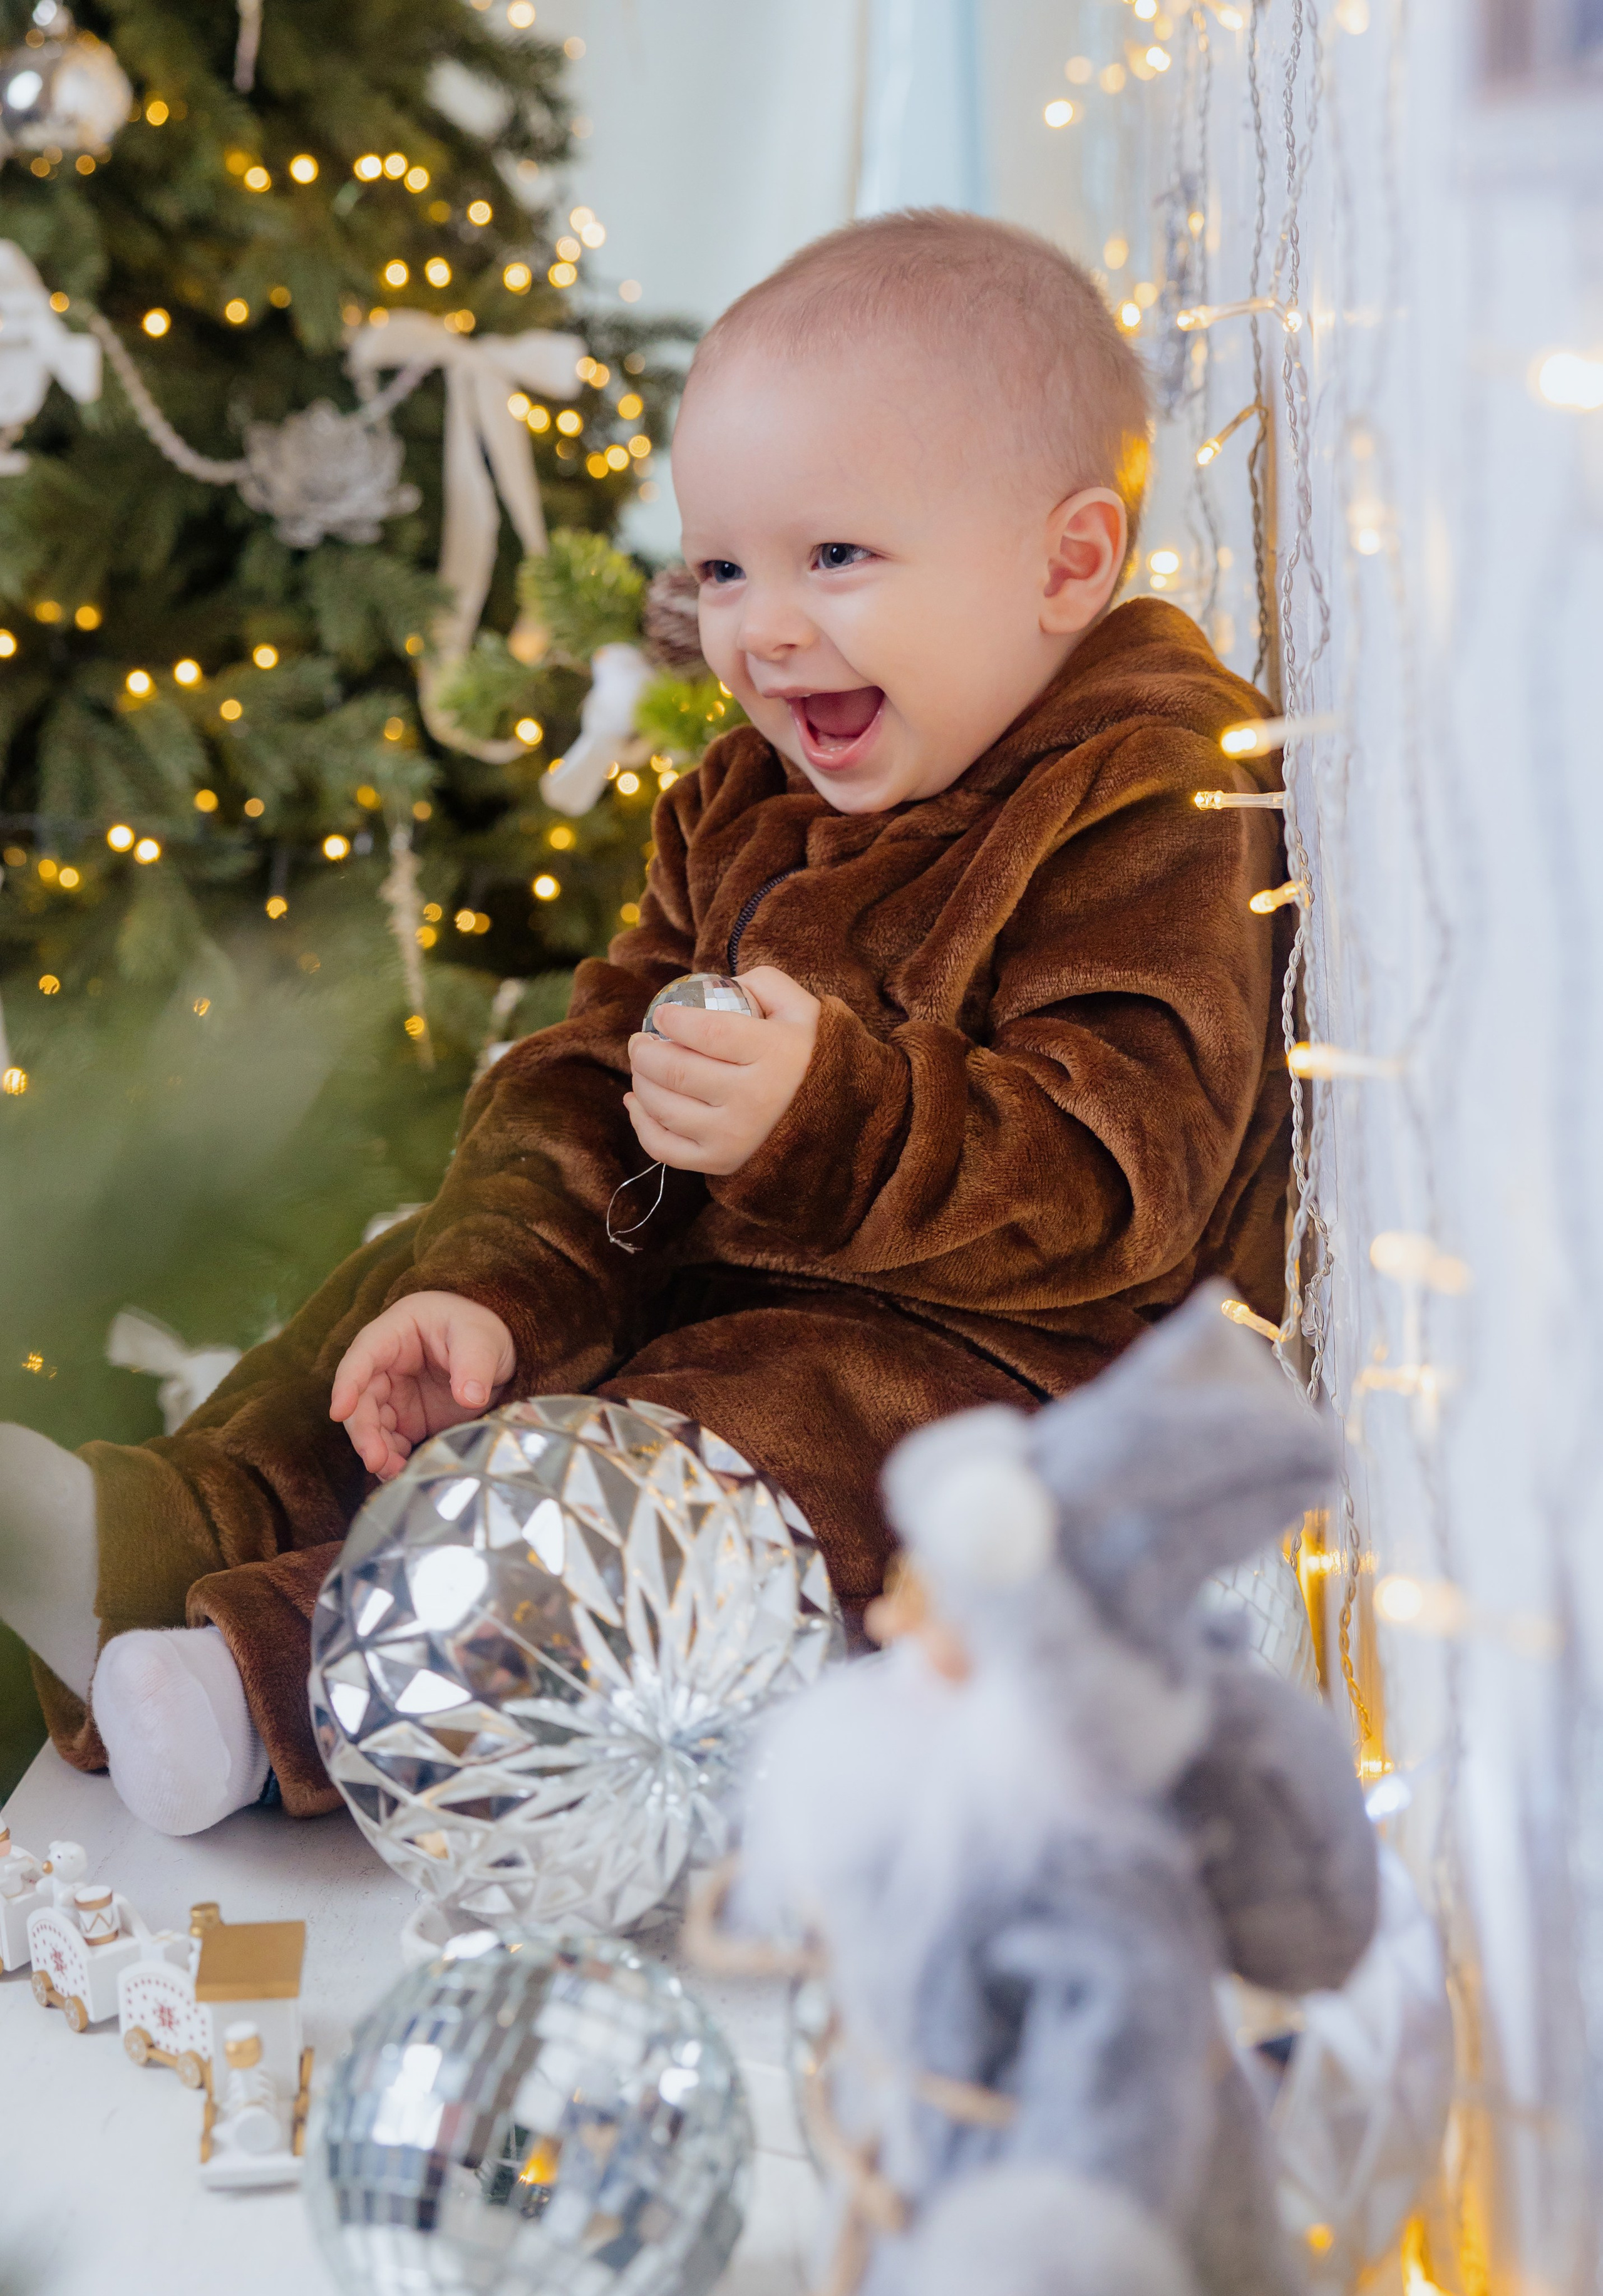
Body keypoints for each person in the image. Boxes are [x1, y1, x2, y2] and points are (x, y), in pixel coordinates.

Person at [0, 209, 1293, 1834]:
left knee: (709, 1464)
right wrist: (497, 1278)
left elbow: (1126, 1173)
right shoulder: (741, 796)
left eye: (837, 558)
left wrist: (826, 1110)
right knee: (415, 1302)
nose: (760, 630)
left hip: (982, 1368)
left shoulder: (1150, 784)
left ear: (1068, 561)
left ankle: (283, 1690)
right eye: (725, 567)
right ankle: (150, 1546)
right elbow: (594, 1070)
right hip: (691, 1266)